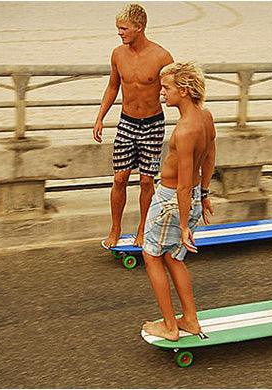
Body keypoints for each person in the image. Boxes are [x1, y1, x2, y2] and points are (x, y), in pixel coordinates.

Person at [141, 62, 216, 341]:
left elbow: (183, 183)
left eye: (167, 87)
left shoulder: (185, 130)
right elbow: (209, 158)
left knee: (151, 255)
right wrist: (204, 195)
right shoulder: (206, 117)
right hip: (192, 196)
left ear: (183, 90)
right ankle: (190, 320)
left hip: (172, 199)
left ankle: (170, 327)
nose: (162, 93)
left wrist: (184, 225)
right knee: (174, 257)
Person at [93, 3, 174, 248]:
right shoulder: (118, 54)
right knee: (119, 178)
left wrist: (188, 119)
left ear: (139, 27)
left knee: (147, 181)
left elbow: (176, 88)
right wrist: (100, 117)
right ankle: (115, 229)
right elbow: (112, 86)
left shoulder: (162, 56)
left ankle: (142, 230)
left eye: (124, 28)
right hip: (126, 122)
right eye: (118, 28)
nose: (120, 32)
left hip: (153, 124)